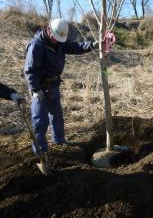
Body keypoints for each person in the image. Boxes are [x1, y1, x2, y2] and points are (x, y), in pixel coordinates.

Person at [24, 18, 98, 155]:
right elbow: (30, 71)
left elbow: (76, 47)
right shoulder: (36, 46)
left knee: (57, 116)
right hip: (40, 87)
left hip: (53, 85)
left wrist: (93, 45)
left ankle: (59, 140)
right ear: (49, 31)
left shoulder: (59, 43)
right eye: (56, 38)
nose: (57, 41)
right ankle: (40, 150)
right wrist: (35, 90)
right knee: (40, 120)